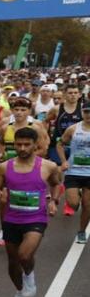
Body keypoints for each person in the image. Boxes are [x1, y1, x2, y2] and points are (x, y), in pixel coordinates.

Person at [0, 127, 62, 297]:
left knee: (25, 255)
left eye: (26, 144)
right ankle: (19, 292)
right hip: (11, 218)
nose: (22, 148)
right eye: (18, 144)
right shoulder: (4, 167)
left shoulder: (48, 166)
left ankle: (29, 275)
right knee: (13, 262)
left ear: (35, 145)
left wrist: (53, 201)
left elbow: (56, 184)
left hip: (36, 218)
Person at [55, 99, 90, 242]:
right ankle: (78, 194)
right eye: (87, 112)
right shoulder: (73, 129)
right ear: (82, 112)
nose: (89, 115)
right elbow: (59, 144)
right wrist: (63, 161)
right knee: (73, 204)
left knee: (88, 205)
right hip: (74, 171)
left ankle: (81, 231)